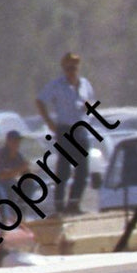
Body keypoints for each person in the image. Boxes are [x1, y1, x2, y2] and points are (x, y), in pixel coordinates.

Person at [35, 52, 97, 213]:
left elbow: (91, 101)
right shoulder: (57, 85)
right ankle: (59, 205)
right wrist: (49, 122)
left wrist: (88, 106)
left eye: (75, 67)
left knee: (83, 169)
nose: (72, 71)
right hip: (65, 129)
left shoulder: (85, 84)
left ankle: (74, 203)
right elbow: (40, 100)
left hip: (81, 128)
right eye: (69, 67)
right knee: (64, 168)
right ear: (64, 68)